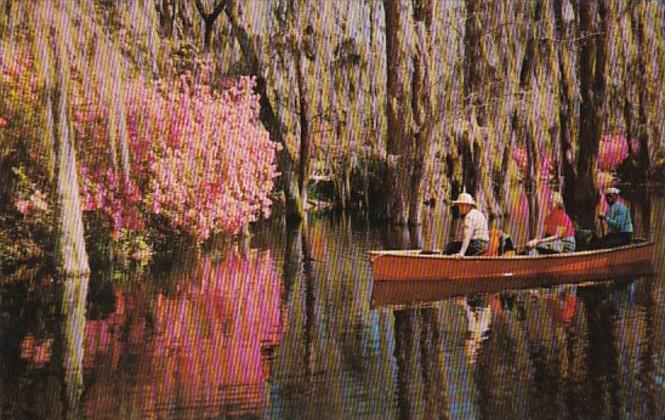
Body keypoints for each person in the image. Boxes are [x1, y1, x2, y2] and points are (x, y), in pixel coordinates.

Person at [444, 192, 489, 257]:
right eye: (459, 205)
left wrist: (461, 253)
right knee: (455, 244)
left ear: (468, 206)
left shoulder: (469, 217)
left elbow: (468, 236)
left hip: (477, 245)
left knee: (451, 246)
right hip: (484, 244)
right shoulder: (477, 213)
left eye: (462, 205)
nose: (460, 208)